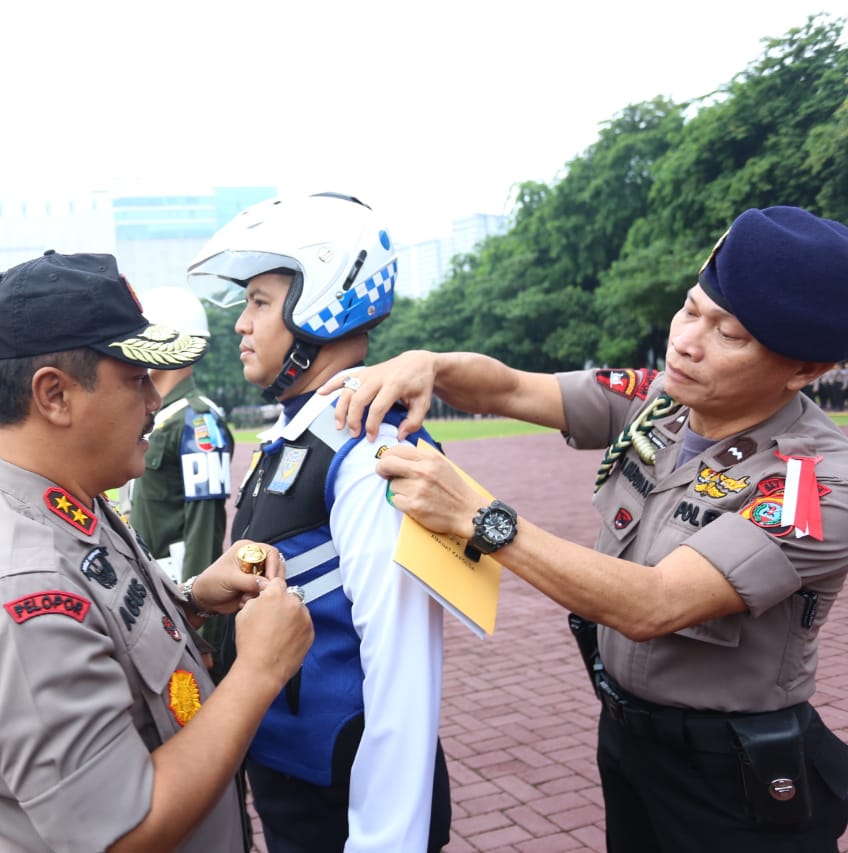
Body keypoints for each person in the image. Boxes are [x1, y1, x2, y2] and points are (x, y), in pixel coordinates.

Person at [328, 205, 848, 852]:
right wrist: (428, 361)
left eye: (730, 334)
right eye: (691, 309)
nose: (687, 341)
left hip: (732, 780)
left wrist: (478, 516)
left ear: (804, 370)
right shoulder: (663, 401)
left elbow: (656, 602)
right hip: (627, 742)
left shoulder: (816, 481)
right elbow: (513, 389)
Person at [0, 250, 313, 853]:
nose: (154, 402)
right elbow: (123, 832)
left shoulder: (68, 500)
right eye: (135, 380)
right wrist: (260, 671)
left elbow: (115, 630)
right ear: (54, 396)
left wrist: (193, 600)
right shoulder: (22, 592)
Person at [187, 192, 452, 853]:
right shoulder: (302, 436)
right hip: (294, 774)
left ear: (322, 297)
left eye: (259, 302)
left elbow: (401, 672)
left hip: (345, 797)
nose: (242, 325)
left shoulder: (368, 453)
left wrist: (385, 841)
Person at [127, 286, 234, 589]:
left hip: (178, 590)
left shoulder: (197, 420)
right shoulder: (161, 417)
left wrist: (199, 613)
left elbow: (204, 533)